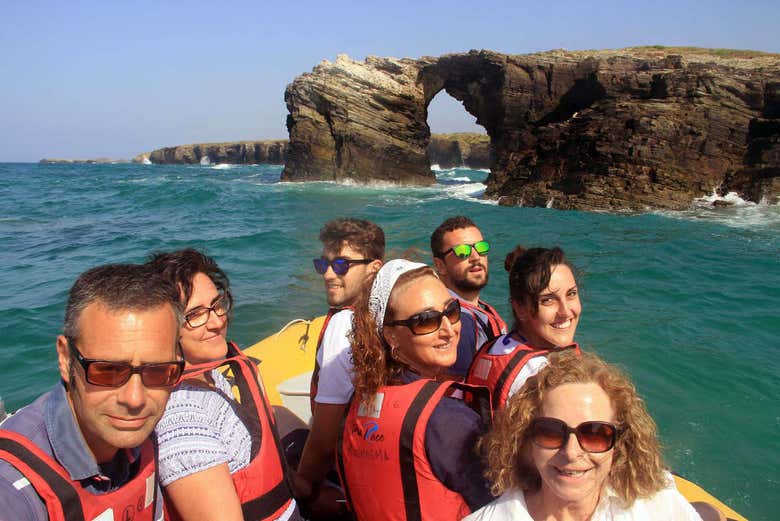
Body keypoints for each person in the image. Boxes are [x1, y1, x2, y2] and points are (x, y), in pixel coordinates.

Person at [0, 263, 184, 520]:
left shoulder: (143, 441)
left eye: (158, 371)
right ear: (65, 359)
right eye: (107, 371)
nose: (135, 399)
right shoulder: (15, 493)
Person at [464, 350, 704, 521]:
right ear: (525, 442)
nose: (571, 452)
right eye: (551, 432)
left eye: (595, 434)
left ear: (619, 444)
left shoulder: (659, 507)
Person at [338, 259, 493, 520]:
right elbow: (498, 503)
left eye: (452, 311)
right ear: (390, 336)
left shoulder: (359, 400)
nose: (449, 330)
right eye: (425, 321)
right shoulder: (447, 421)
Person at [148, 249, 297, 521]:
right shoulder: (183, 420)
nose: (217, 321)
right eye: (195, 315)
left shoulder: (211, 374)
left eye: (217, 304)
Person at [293, 218, 384, 515]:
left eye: (342, 265)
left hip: (344, 477)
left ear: (374, 267)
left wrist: (303, 486)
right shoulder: (387, 315)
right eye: (324, 265)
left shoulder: (344, 324)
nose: (329, 274)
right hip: (377, 460)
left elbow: (324, 433)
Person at [466, 246, 581, 410]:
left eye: (571, 294)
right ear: (520, 308)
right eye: (548, 300)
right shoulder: (539, 377)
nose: (565, 311)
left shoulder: (496, 347)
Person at [430, 216, 507, 377]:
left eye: (481, 248)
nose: (476, 257)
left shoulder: (480, 309)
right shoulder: (455, 322)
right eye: (462, 252)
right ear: (440, 265)